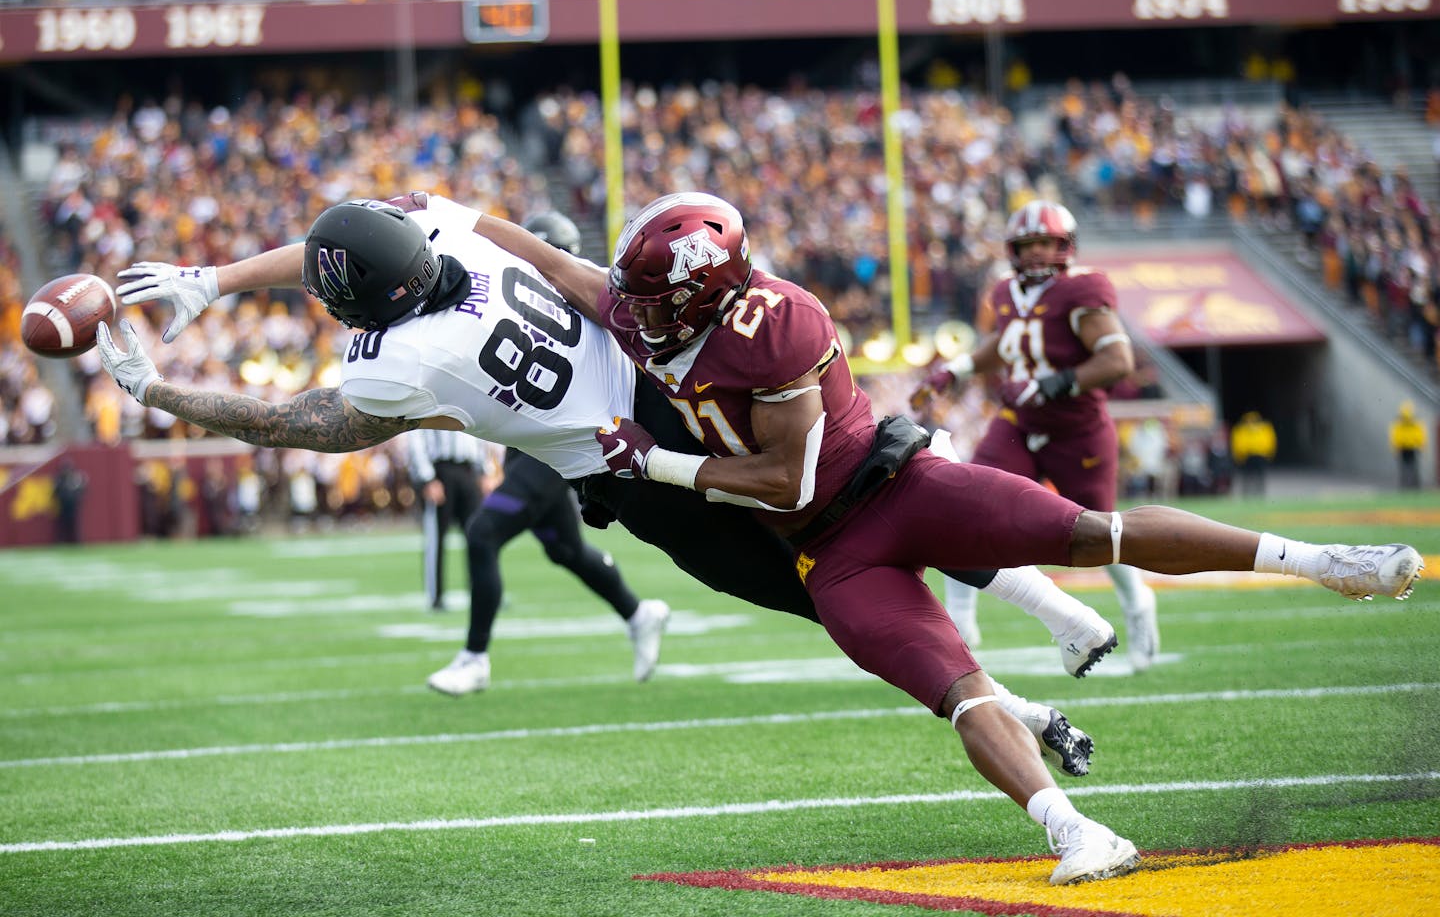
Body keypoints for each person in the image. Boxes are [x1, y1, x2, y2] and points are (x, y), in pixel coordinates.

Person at [468, 191, 1421, 885]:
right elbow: (557, 267)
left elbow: (783, 476)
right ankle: (1077, 832)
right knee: (959, 693)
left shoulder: (778, 323)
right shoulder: (659, 311)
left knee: (1093, 533)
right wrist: (445, 215)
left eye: (655, 296)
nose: (635, 315)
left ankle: (1322, 565)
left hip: (896, 488)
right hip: (830, 556)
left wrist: (651, 461)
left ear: (709, 290)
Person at [100, 193, 1097, 779]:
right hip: (669, 384)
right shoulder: (458, 241)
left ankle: (1011, 700)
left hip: (643, 467)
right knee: (871, 497)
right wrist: (219, 278)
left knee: (842, 589)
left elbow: (302, 424)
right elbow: (373, 226)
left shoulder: (413, 365)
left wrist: (165, 393)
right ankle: (1045, 630)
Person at [424, 212, 670, 695]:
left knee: (482, 533)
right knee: (565, 549)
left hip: (562, 440)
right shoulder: (519, 295)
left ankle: (474, 658)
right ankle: (639, 613)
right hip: (530, 443)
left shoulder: (586, 296)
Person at [909, 200, 1159, 673]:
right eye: (1029, 245)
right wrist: (954, 370)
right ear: (1013, 251)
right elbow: (1006, 342)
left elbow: (1117, 361)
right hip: (1021, 424)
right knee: (962, 502)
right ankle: (960, 623)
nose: (1039, 253)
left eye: (1047, 243)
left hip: (1077, 429)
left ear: (1066, 246)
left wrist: (1049, 384)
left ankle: (1138, 604)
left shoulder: (1083, 289)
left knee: (1103, 535)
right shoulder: (1006, 291)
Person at [408, 428, 493, 611]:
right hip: (440, 471)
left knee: (478, 536)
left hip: (469, 470)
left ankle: (482, 592)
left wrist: (485, 470)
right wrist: (427, 478)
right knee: (436, 537)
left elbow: (479, 431)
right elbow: (415, 436)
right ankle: (435, 597)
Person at [1230, 410, 1276, 497]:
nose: (1251, 422)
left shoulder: (1264, 428)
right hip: (1247, 456)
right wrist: (1238, 455)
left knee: (1259, 476)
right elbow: (1237, 443)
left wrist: (1268, 454)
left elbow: (1270, 442)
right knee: (1247, 477)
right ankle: (1247, 494)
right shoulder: (1241, 429)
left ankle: (1259, 493)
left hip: (1260, 455)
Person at [1389, 400, 1427, 490]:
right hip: (1403, 448)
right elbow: (1395, 437)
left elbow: (1421, 435)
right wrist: (1395, 447)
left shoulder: (1416, 424)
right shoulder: (1398, 425)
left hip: (1413, 448)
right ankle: (1404, 486)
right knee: (1404, 468)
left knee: (1414, 468)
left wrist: (1420, 446)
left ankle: (1415, 486)